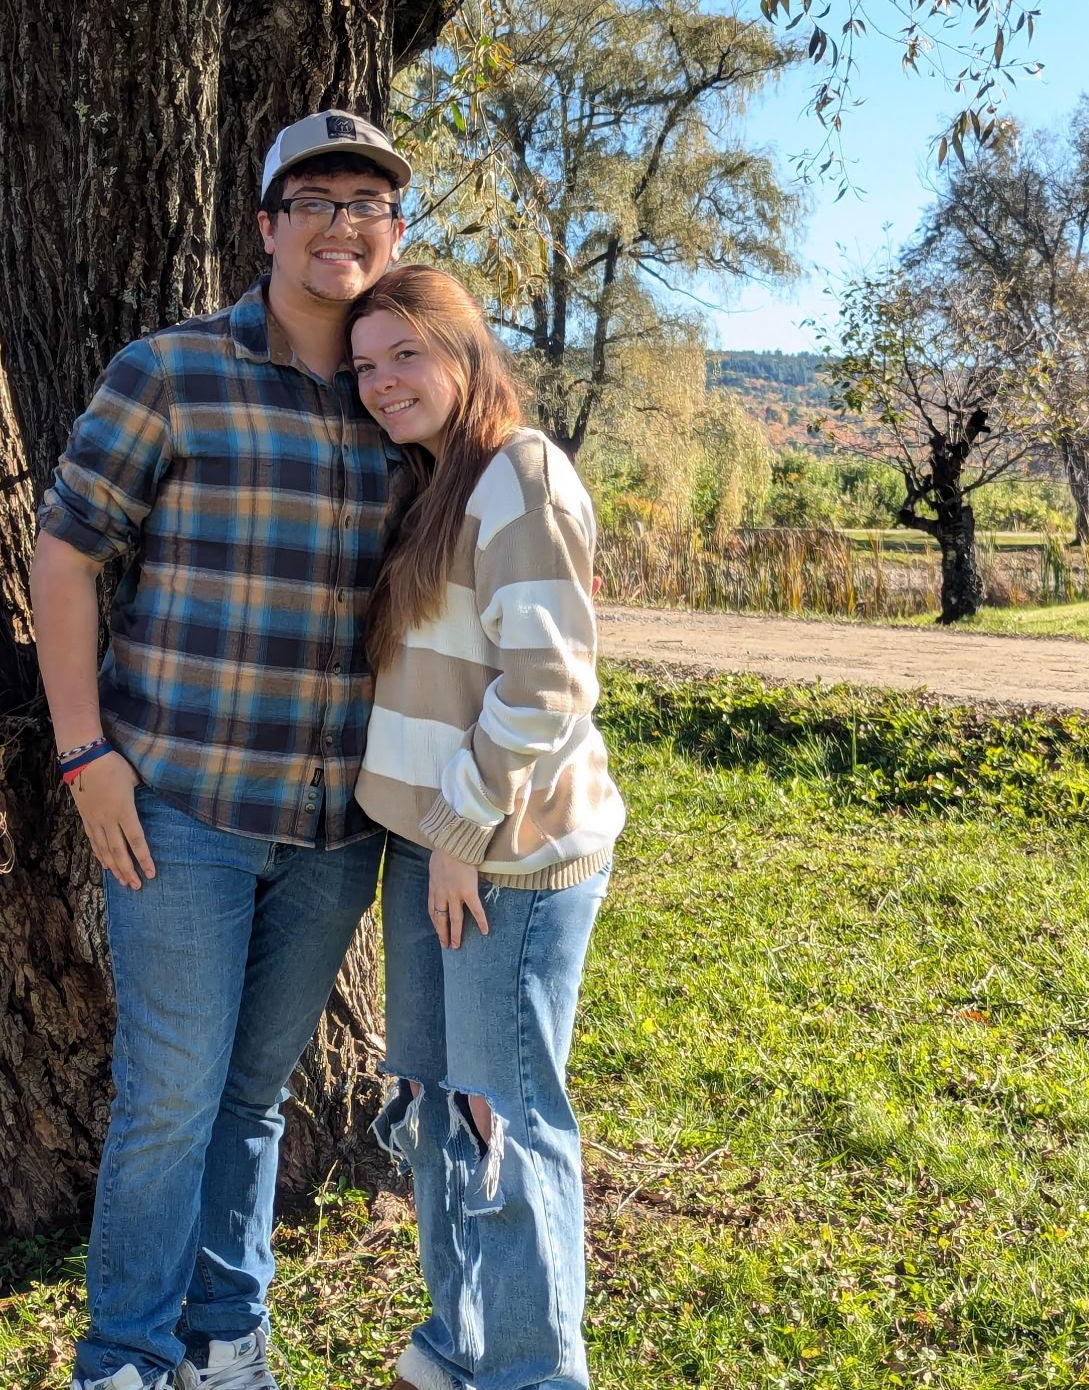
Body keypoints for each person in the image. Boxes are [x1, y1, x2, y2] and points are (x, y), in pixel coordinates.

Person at [31, 111, 411, 1390]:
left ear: (394, 233)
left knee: (256, 1100)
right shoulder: (173, 371)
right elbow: (68, 554)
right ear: (265, 225)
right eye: (315, 200)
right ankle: (125, 1358)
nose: (341, 224)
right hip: (178, 811)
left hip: (334, 831)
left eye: (368, 204)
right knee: (169, 1104)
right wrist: (87, 757)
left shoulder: (403, 395)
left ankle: (224, 1340)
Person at [346, 266, 626, 1390]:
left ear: (466, 349)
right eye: (365, 365)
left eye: (405, 354)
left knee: (501, 1118)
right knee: (434, 1106)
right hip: (435, 845)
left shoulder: (523, 476)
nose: (381, 383)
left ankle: (531, 1374)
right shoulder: (439, 482)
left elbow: (550, 685)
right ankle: (458, 1344)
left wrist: (461, 833)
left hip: (503, 857)